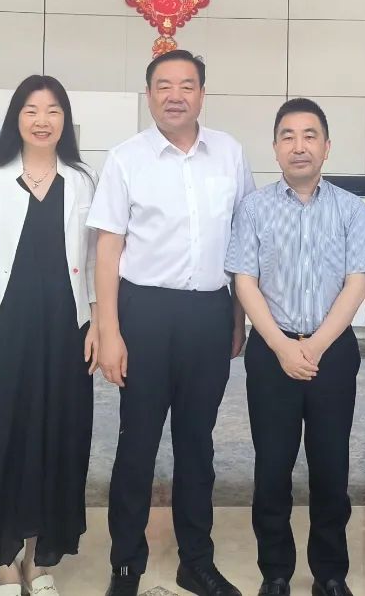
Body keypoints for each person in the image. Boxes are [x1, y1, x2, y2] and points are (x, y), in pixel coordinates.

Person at [88, 50, 255, 596]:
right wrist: (109, 331)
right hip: (144, 314)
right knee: (136, 444)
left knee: (197, 444)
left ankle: (196, 561)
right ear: (149, 95)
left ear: (202, 94)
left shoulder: (229, 154)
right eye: (164, 85)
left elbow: (243, 243)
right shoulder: (126, 159)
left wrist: (236, 317)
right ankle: (125, 564)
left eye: (186, 85)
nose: (175, 95)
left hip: (209, 312)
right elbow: (107, 250)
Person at [0, 75, 99, 596]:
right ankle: (4, 562)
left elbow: (93, 260)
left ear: (64, 121)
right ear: (16, 118)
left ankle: (38, 559)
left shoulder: (82, 180)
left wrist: (98, 322)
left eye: (53, 110)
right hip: (1, 328)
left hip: (65, 331)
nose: (42, 120)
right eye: (31, 110)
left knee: (55, 438)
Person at [226, 98, 365, 596]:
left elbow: (357, 281)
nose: (299, 146)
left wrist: (314, 346)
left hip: (331, 353)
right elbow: (245, 281)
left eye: (309, 135)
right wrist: (282, 346)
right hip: (271, 353)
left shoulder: (349, 209)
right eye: (287, 136)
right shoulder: (254, 208)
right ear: (274, 147)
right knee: (272, 469)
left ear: (327, 146)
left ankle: (330, 573)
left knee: (331, 468)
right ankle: (275, 572)